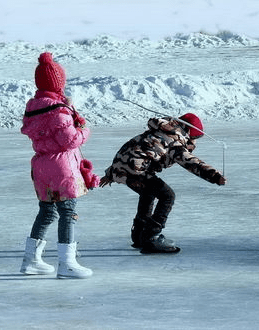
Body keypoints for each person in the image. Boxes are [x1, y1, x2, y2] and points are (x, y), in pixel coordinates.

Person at [20, 52, 99, 278]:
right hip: (61, 166)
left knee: (46, 212)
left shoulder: (34, 106)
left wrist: (68, 109)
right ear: (59, 83)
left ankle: (31, 260)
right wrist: (85, 130)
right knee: (68, 211)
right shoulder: (58, 110)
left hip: (41, 165)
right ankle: (67, 263)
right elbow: (70, 140)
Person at [99, 113, 226, 253]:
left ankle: (139, 235)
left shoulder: (157, 131)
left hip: (123, 168)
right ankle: (152, 237)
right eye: (194, 138)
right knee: (167, 195)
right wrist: (214, 176)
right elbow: (191, 162)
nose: (194, 142)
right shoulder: (173, 141)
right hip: (136, 171)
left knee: (148, 192)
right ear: (188, 131)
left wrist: (111, 173)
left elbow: (131, 151)